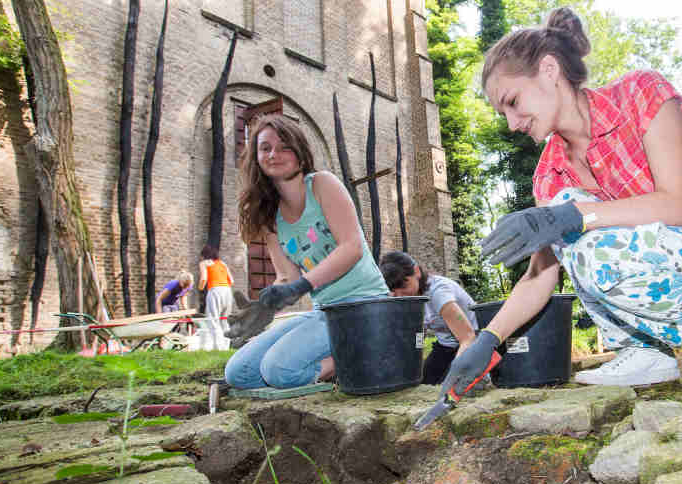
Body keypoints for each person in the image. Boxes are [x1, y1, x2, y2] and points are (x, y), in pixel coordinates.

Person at [442, 7, 682, 400]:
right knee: (568, 213)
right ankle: (643, 350)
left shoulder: (640, 94)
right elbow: (540, 276)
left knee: (576, 221)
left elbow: (678, 208)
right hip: (673, 275)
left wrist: (573, 216)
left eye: (512, 101)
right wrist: (487, 340)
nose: (512, 122)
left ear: (549, 70)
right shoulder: (550, 175)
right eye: (502, 112)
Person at [224, 113, 389, 389]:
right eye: (265, 148)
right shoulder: (270, 217)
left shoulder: (322, 184)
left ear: (300, 153)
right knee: (239, 373)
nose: (274, 154)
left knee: (277, 371)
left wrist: (300, 286)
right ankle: (334, 358)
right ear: (257, 157)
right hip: (323, 311)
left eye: (284, 146)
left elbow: (351, 248)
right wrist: (265, 306)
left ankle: (359, 352)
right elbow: (287, 277)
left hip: (363, 305)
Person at [380, 251, 479, 385]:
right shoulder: (410, 298)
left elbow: (468, 337)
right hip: (446, 345)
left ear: (417, 272)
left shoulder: (439, 293)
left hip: (474, 342)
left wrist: (455, 375)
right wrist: (414, 357)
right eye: (393, 290)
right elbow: (420, 334)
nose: (399, 295)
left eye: (403, 286)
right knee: (421, 382)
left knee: (450, 383)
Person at [198, 244, 234, 351]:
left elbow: (204, 279)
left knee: (213, 319)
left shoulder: (204, 263)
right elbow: (231, 281)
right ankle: (226, 346)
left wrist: (200, 288)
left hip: (215, 290)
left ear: (204, 255)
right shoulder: (222, 263)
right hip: (227, 291)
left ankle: (218, 347)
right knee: (224, 319)